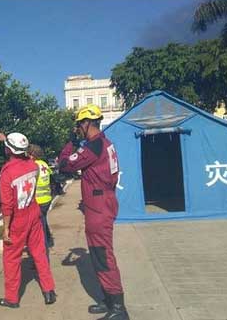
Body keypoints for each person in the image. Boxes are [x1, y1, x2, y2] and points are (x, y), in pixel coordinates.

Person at [58, 104, 129, 320]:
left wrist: (71, 143)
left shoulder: (93, 145)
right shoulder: (105, 143)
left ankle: (118, 310)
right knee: (99, 255)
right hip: (101, 202)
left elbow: (64, 164)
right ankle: (109, 301)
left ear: (87, 123)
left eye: (79, 124)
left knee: (102, 254)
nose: (78, 128)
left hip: (99, 206)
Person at [0, 130, 56, 308]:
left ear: (9, 150)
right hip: (34, 213)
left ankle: (12, 299)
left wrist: (6, 228)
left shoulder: (7, 173)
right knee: (39, 253)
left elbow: (7, 205)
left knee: (11, 258)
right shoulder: (32, 165)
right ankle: (49, 291)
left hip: (17, 220)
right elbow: (18, 152)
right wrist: (6, 140)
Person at [28, 144, 54, 249]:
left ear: (32, 155)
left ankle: (43, 245)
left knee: (40, 225)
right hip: (47, 198)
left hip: (38, 200)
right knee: (43, 220)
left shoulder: (33, 166)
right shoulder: (44, 164)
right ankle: (48, 239)